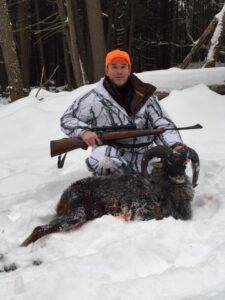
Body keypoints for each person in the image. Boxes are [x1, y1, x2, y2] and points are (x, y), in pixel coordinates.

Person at [60, 49, 185, 176]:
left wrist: (174, 145)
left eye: (123, 66)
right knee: (105, 160)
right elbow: (67, 119)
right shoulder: (92, 99)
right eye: (114, 67)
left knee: (170, 174)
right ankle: (109, 193)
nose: (119, 71)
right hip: (110, 154)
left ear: (129, 69)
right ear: (106, 70)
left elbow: (163, 124)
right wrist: (84, 132)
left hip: (144, 157)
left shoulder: (147, 98)